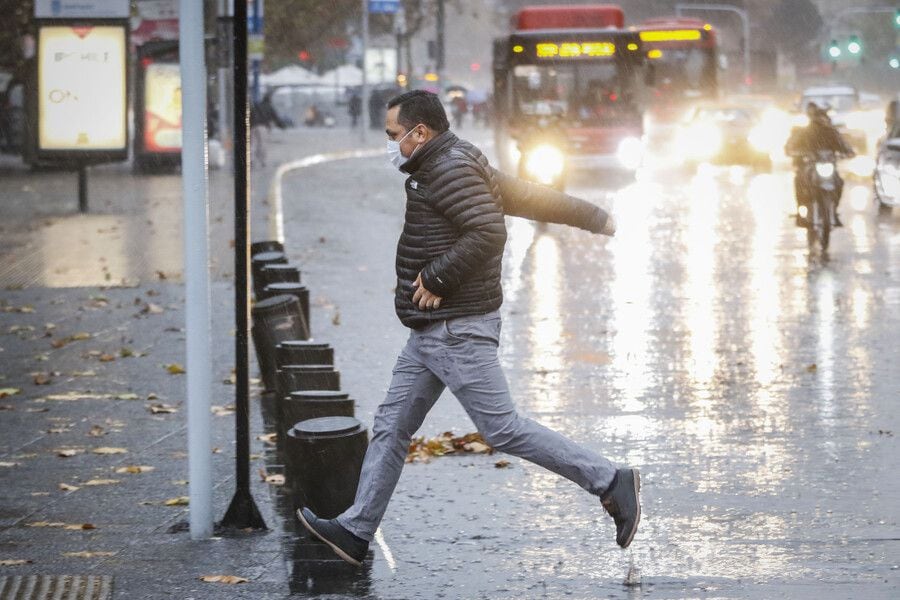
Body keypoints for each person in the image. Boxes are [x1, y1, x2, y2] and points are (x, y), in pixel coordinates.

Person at [296, 90, 640, 567]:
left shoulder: (448, 167)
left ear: (421, 133)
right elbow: (521, 195)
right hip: (430, 333)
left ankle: (608, 480)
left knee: (502, 429)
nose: (391, 145)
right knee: (391, 427)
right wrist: (592, 216)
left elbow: (488, 231)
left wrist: (438, 277)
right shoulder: (455, 157)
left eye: (395, 136)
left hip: (456, 328)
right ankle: (356, 530)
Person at [785, 102, 855, 227]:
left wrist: (848, 152)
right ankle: (801, 212)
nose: (821, 120)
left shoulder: (832, 132)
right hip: (809, 166)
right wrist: (794, 152)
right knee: (800, 180)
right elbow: (791, 145)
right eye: (819, 117)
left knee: (839, 182)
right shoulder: (804, 132)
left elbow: (844, 145)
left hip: (828, 165)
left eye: (823, 117)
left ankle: (833, 211)